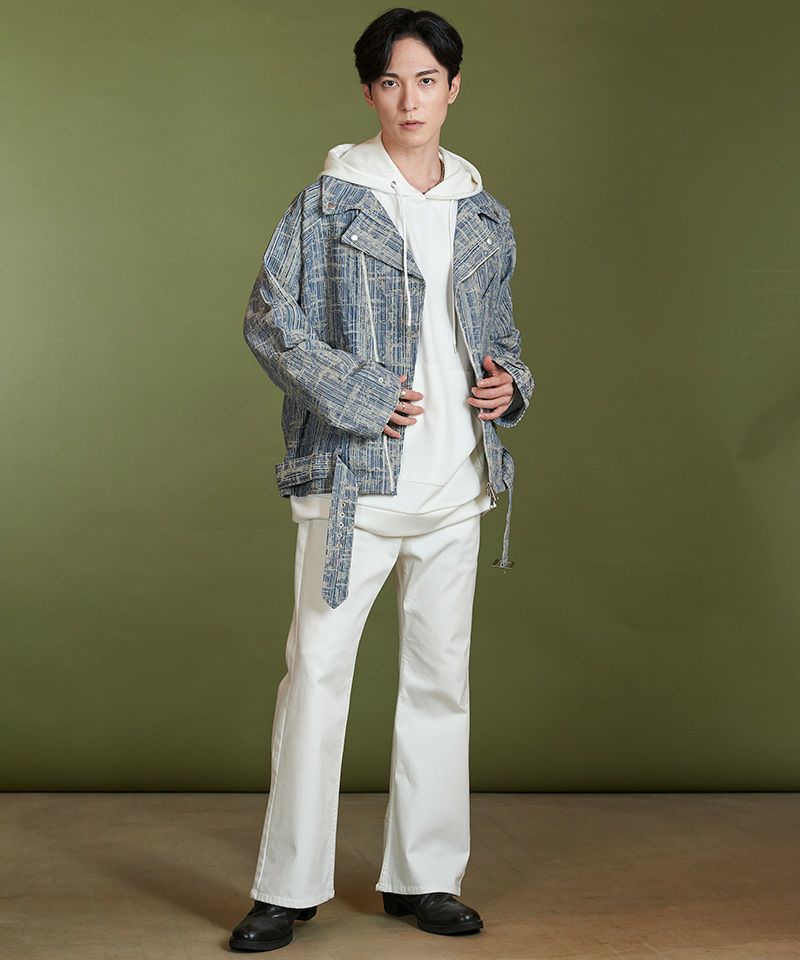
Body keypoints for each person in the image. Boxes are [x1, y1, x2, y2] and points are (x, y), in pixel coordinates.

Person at [230, 7, 534, 952]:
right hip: (353, 481)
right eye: (393, 81)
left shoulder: (484, 213)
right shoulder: (330, 201)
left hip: (457, 483)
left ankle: (426, 878)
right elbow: (270, 320)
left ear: (454, 88)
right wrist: (361, 393)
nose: (411, 100)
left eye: (428, 80)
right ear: (370, 91)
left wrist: (511, 386)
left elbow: (503, 335)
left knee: (441, 682)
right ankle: (286, 890)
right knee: (318, 677)